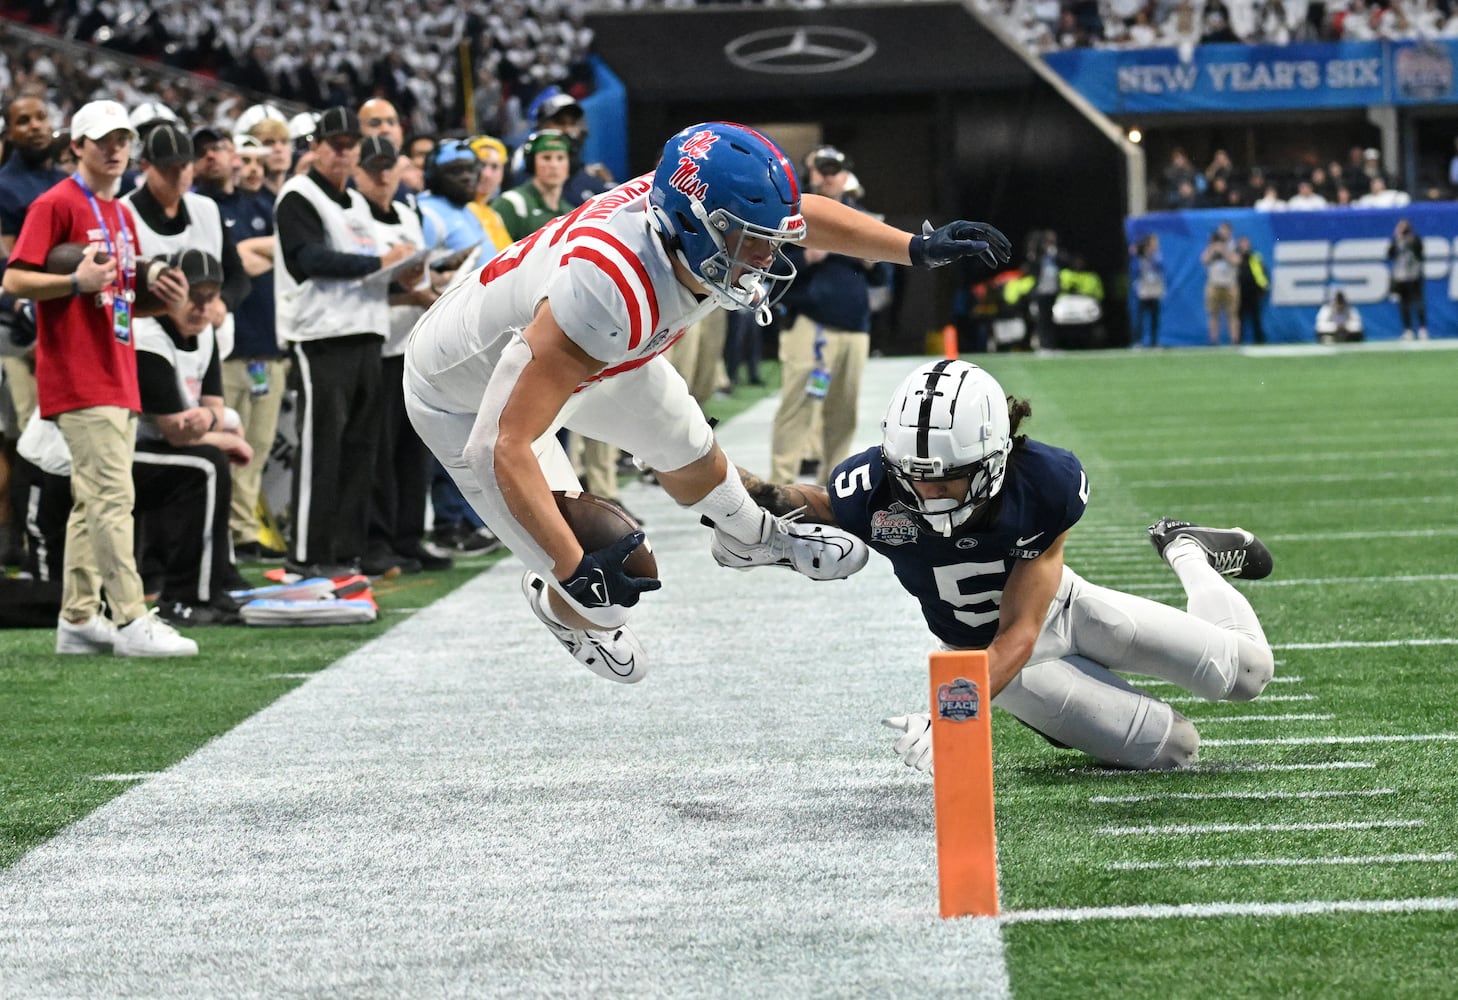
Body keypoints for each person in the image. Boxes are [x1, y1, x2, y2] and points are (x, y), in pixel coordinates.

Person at [402, 121, 1013, 684]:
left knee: (685, 442)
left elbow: (804, 219)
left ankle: (750, 538)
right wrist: (569, 567)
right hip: (466, 398)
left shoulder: (682, 211)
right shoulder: (608, 287)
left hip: (591, 353)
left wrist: (914, 247)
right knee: (604, 580)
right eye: (751, 242)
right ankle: (559, 607)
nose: (769, 258)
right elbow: (503, 443)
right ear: (697, 225)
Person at [735, 359, 1276, 772]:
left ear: (995, 456)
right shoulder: (872, 487)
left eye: (947, 478)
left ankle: (1186, 549)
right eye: (914, 476)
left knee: (1250, 674)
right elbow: (818, 503)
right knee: (1177, 748)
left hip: (1056, 611)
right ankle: (1064, 715)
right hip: (983, 657)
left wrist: (950, 714)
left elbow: (1019, 629)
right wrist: (746, 498)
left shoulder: (1045, 483)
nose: (928, 493)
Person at [2, 99, 196, 656]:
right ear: (77, 146)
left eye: (122, 140)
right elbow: (14, 280)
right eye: (103, 140)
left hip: (115, 368)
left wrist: (163, 303)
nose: (115, 149)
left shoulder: (119, 213)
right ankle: (132, 617)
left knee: (94, 501)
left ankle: (79, 617)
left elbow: (114, 296)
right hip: (79, 373)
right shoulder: (55, 201)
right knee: (114, 497)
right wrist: (75, 283)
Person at [273, 105, 418, 578]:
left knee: (360, 451)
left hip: (366, 332)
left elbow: (370, 268)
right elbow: (310, 258)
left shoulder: (354, 204)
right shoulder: (298, 195)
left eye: (348, 146)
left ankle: (346, 551)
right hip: (320, 336)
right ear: (315, 147)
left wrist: (405, 275)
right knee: (322, 449)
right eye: (334, 146)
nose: (342, 154)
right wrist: (380, 261)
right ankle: (307, 554)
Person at [132, 249, 255, 624]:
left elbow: (214, 408)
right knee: (206, 465)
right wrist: (226, 436)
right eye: (192, 298)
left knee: (209, 460)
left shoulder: (205, 334)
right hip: (126, 446)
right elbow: (175, 431)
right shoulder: (147, 336)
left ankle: (217, 578)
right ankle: (187, 596)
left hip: (157, 444)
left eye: (210, 298)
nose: (202, 309)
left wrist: (216, 421)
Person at [769, 145, 889, 484]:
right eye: (820, 169)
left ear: (844, 174)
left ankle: (831, 490)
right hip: (812, 326)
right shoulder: (794, 215)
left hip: (855, 328)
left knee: (843, 414)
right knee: (800, 410)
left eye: (833, 169)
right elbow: (768, 266)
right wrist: (808, 258)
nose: (827, 176)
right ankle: (780, 488)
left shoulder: (860, 216)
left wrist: (874, 260)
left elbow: (883, 278)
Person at [200, 133, 289, 560]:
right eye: (245, 159)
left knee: (259, 444)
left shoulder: (264, 205)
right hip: (229, 348)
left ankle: (244, 527)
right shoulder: (208, 206)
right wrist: (257, 253)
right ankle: (227, 531)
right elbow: (234, 263)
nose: (252, 168)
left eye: (258, 161)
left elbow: (279, 251)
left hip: (269, 345)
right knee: (227, 443)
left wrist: (257, 253)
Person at [493, 130, 572, 242]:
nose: (554, 165)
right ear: (531, 163)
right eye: (546, 158)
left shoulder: (570, 212)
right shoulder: (512, 203)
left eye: (560, 158)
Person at [1387, 218, 1429, 341]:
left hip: (1414, 274)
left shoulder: (1415, 239)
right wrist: (1397, 239)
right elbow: (1390, 255)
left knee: (1418, 302)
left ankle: (1422, 329)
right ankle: (1408, 329)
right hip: (1401, 276)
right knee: (1403, 304)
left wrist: (1411, 242)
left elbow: (1420, 254)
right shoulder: (1396, 240)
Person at [1201, 222, 1241, 345]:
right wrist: (1213, 249)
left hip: (1230, 284)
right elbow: (1204, 260)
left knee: (1233, 313)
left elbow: (1236, 261)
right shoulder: (1212, 245)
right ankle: (1213, 340)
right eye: (1221, 231)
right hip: (1214, 283)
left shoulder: (1234, 245)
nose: (1222, 233)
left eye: (1225, 231)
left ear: (1230, 232)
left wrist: (1224, 251)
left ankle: (1234, 340)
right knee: (1213, 313)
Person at [1129, 233, 1164, 348]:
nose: (1156, 245)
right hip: (1143, 291)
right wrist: (1137, 254)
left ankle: (1154, 342)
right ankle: (1137, 342)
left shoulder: (1157, 255)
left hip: (1154, 291)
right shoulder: (1139, 257)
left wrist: (1150, 255)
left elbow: (1159, 265)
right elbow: (1135, 270)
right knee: (1140, 318)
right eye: (1154, 242)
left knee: (1155, 319)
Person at [1236, 234, 1268, 345]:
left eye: (1246, 243)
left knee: (1256, 318)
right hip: (1239, 292)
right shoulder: (1236, 257)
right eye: (1243, 243)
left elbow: (1261, 273)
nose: (1245, 246)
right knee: (1239, 318)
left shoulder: (1255, 256)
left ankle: (1259, 340)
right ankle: (1237, 341)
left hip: (1253, 292)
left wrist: (1263, 287)